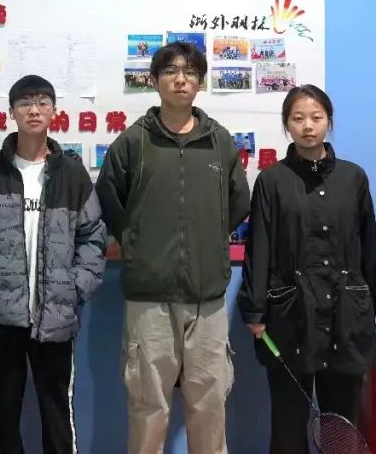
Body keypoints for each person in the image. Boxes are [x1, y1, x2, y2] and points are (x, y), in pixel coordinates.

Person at [96, 40, 250, 454]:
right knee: (148, 406)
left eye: (189, 72)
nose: (180, 79)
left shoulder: (219, 141)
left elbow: (238, 203)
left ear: (200, 82)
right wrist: (136, 242)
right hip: (149, 297)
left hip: (207, 297)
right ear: (154, 81)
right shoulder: (134, 142)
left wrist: (207, 239)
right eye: (170, 71)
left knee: (210, 404)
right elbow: (109, 199)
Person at [0, 75, 107, 454]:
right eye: (25, 103)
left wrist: (76, 287)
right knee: (5, 415)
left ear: (54, 111)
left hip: (56, 314)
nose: (34, 110)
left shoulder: (72, 174)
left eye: (42, 102)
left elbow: (93, 237)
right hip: (2, 314)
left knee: (57, 412)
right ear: (12, 112)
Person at [237, 85, 376, 454]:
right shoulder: (272, 180)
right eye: (298, 118)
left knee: (341, 422)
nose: (308, 126)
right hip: (290, 314)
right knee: (288, 421)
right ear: (287, 125)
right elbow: (259, 247)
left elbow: (370, 247)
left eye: (316, 117)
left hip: (346, 313)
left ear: (329, 121)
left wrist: (375, 307)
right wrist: (255, 309)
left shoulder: (353, 177)